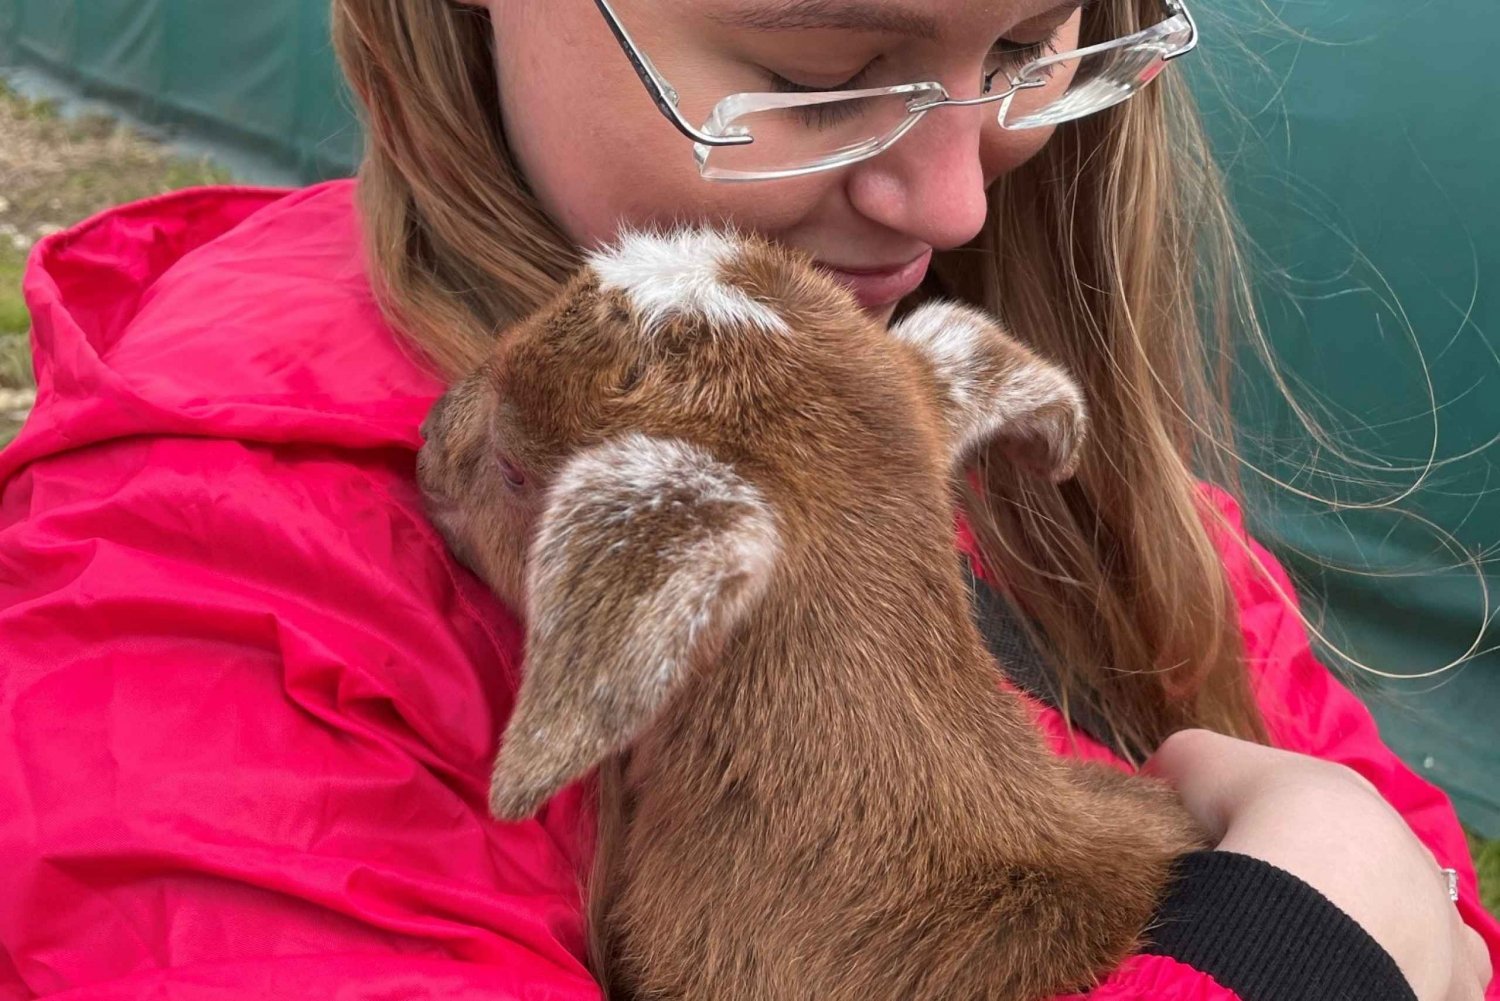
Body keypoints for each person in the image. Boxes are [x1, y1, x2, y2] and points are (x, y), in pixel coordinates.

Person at [0, 0, 1493, 997]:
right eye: (814, 76)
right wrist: (1289, 948)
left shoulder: (1023, 480)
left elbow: (1429, 897)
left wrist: (1365, 892)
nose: (958, 200)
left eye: (1031, 44)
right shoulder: (208, 627)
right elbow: (1379, 908)